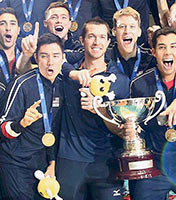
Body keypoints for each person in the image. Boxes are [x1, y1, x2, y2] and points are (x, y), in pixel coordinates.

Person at [56, 17, 130, 200]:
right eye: (91, 37)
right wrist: (71, 72)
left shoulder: (120, 81)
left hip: (105, 162)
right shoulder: (67, 74)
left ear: (108, 42)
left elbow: (121, 130)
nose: (97, 42)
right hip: (70, 161)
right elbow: (51, 58)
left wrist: (99, 109)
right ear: (82, 41)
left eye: (102, 37)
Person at [127, 27, 176, 200]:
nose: (168, 52)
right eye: (161, 47)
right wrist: (130, 130)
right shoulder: (139, 85)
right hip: (154, 167)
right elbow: (138, 126)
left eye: (173, 46)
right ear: (153, 52)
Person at [0, 33, 64, 199]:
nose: (50, 62)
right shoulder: (21, 84)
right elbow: (2, 128)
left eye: (55, 56)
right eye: (44, 56)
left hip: (42, 165)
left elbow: (55, 130)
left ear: (62, 58)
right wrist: (21, 124)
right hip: (16, 164)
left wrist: (52, 164)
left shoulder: (62, 85)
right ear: (36, 57)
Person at [107, 6, 156, 82]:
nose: (127, 31)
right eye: (122, 27)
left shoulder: (150, 59)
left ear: (139, 32)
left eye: (132, 27)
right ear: (114, 32)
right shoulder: (105, 58)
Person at [0, 7, 24, 114]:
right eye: (2, 23)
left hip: (19, 125)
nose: (8, 28)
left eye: (12, 23)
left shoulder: (28, 60)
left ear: (18, 30)